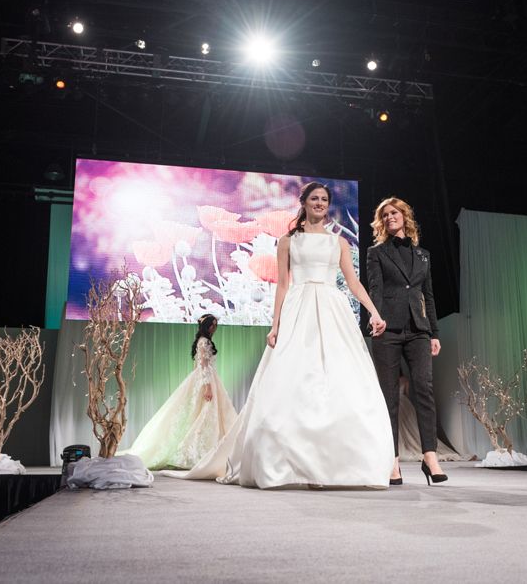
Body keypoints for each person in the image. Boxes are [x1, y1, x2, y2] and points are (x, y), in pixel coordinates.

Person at [167, 182, 394, 488]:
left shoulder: (339, 243)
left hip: (332, 309)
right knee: (294, 375)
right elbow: (283, 285)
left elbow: (353, 283)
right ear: (304, 202)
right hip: (300, 308)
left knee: (340, 376)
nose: (320, 203)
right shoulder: (288, 241)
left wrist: (374, 313)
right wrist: (276, 325)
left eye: (324, 199)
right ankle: (288, 462)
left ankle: (337, 462)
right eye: (314, 198)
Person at [367, 197, 447, 485]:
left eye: (394, 212)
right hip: (386, 330)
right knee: (389, 396)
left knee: (424, 389)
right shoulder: (376, 253)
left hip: (418, 330)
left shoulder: (423, 255)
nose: (390, 217)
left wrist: (434, 333)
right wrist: (376, 317)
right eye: (385, 214)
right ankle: (392, 460)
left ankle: (430, 457)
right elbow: (375, 289)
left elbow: (429, 295)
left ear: (404, 216)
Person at [120, 314, 237, 470]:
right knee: (204, 413)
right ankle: (197, 453)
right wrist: (207, 387)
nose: (214, 328)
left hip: (205, 379)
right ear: (207, 326)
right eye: (212, 325)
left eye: (215, 325)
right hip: (206, 380)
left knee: (201, 413)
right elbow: (203, 365)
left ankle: (206, 451)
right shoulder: (204, 341)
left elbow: (200, 365)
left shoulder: (202, 341)